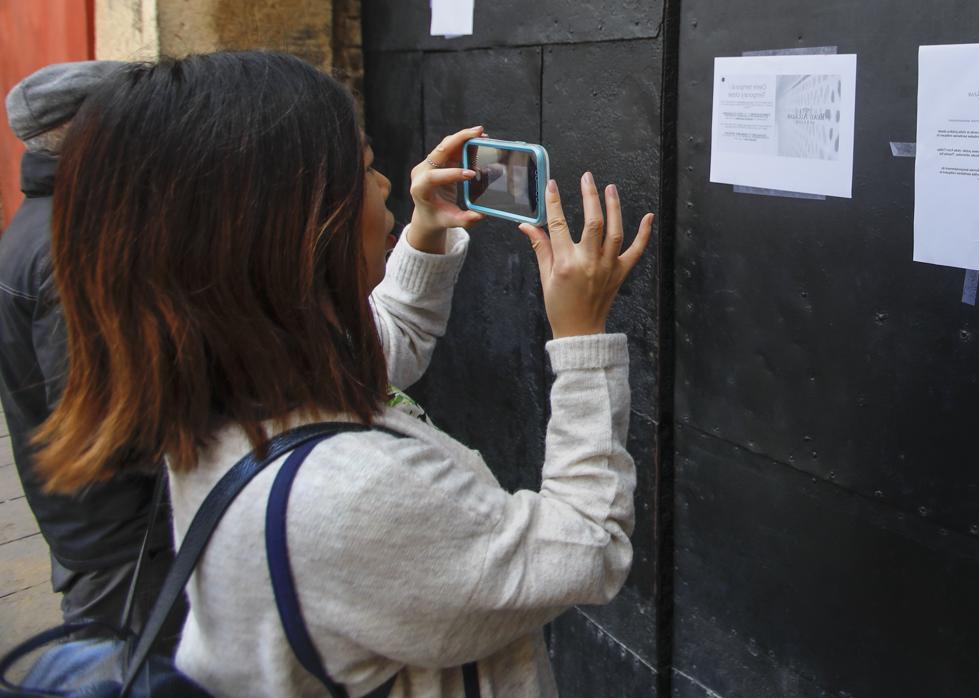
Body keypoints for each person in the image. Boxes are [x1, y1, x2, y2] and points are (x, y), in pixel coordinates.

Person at [34, 50, 652, 697]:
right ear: (292, 234)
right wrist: (582, 338)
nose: (388, 182)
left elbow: (381, 346)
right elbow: (587, 545)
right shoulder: (354, 500)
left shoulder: (223, 389)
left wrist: (424, 234)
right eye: (361, 169)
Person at [0, 60, 182, 643]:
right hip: (126, 543)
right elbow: (111, 428)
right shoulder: (71, 247)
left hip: (103, 529)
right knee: (129, 672)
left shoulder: (56, 224)